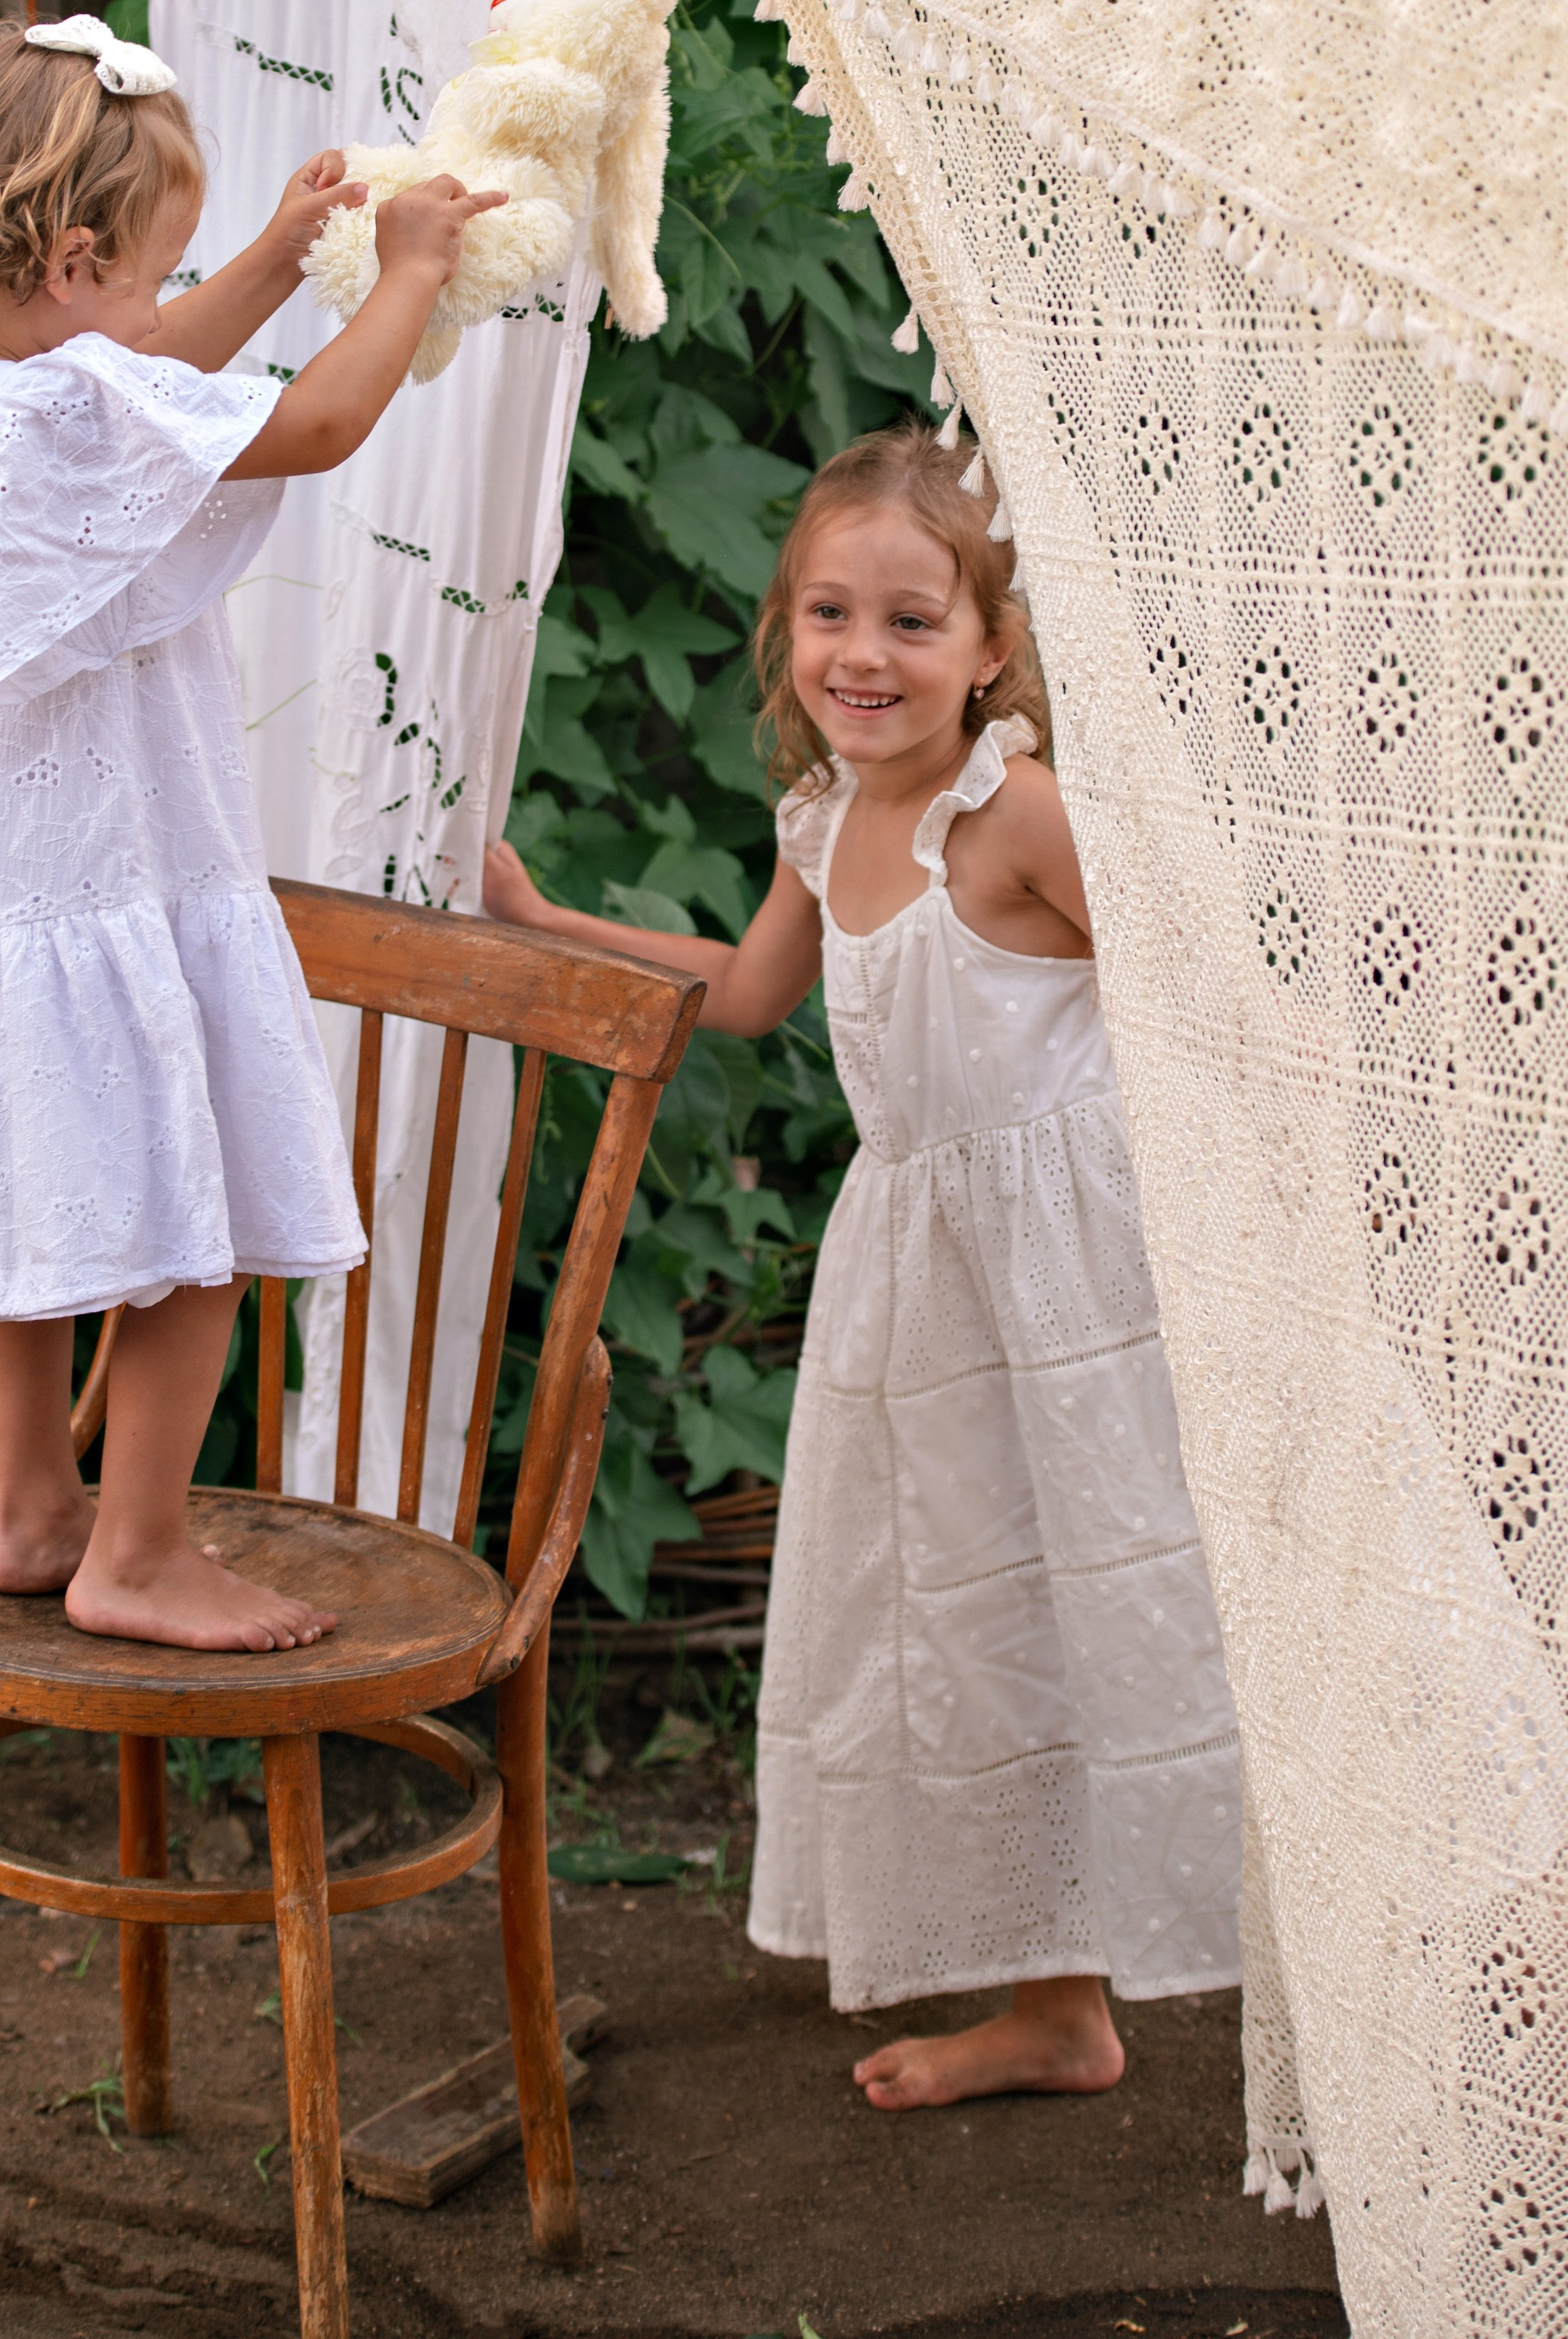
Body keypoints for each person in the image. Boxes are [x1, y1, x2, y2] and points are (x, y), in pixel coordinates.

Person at [483, 421, 1241, 2105]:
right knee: (979, 1614)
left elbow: (1204, 994)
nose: (864, 654)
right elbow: (748, 995)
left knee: (1136, 1593)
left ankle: (1338, 1971)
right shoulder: (821, 827)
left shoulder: (1017, 814)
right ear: (786, 630)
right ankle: (1059, 2009)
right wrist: (546, 924)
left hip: (1076, 1277)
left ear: (991, 647)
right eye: (830, 613)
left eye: (912, 620)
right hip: (917, 1274)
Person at [0, 12, 505, 1653]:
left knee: (29, 1215)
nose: (158, 305)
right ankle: (136, 1552)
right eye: (150, 274)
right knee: (194, 1223)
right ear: (73, 264)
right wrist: (405, 271)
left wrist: (268, 257)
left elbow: (142, 375)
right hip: (105, 872)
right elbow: (310, 427)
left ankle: (34, 1511)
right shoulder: (59, 406)